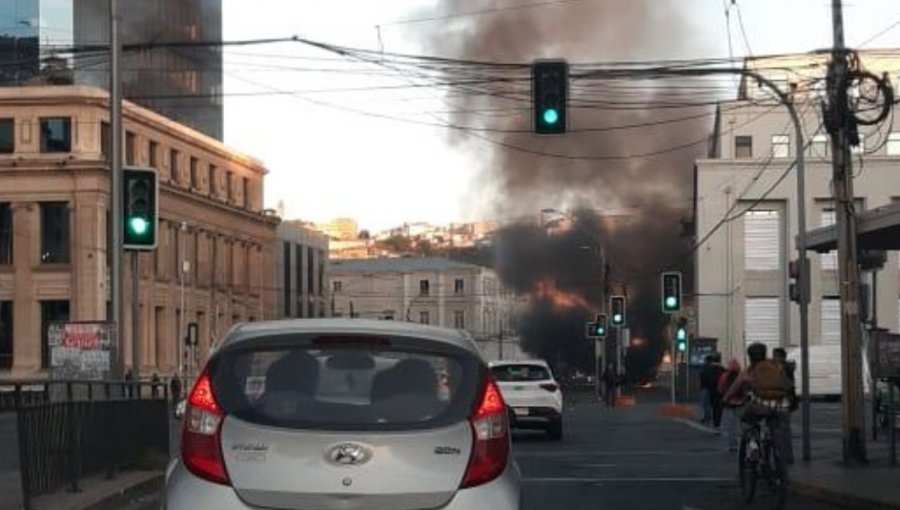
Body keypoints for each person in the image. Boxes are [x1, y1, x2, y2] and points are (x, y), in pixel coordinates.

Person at [724, 343, 793, 462]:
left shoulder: (750, 370)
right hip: (782, 405)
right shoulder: (776, 365)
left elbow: (735, 387)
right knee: (780, 429)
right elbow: (787, 382)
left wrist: (725, 398)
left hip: (761, 405)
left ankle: (753, 445)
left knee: (746, 421)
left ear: (750, 356)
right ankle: (784, 457)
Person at [772, 347, 796, 464]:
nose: (774, 358)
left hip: (781, 403)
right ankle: (785, 456)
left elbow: (788, 386)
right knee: (783, 430)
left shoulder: (783, 368)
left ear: (782, 357)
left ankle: (784, 456)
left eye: (776, 356)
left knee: (781, 430)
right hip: (781, 402)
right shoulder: (784, 368)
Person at [719, 359, 744, 451]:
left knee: (730, 425)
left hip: (729, 402)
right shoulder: (742, 376)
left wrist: (725, 396)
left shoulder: (725, 376)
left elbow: (720, 389)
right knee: (742, 424)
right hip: (741, 402)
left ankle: (732, 444)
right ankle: (744, 443)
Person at [709, 354, 726, 428]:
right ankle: (719, 421)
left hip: (713, 390)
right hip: (721, 390)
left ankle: (716, 422)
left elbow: (708, 379)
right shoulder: (722, 369)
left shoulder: (710, 369)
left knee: (714, 407)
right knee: (720, 407)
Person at [698, 355, 714, 424]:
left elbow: (702, 376)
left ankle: (704, 417)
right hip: (711, 387)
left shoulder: (704, 368)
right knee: (709, 403)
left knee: (704, 403)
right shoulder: (712, 368)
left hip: (704, 387)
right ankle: (708, 416)